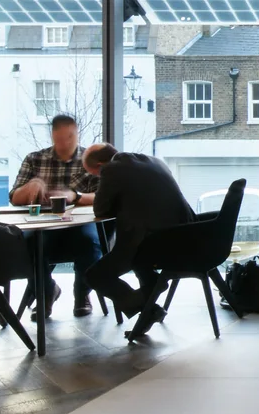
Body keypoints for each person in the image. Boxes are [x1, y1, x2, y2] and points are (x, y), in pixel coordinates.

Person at [81, 143, 196, 338]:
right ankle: (150, 294)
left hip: (157, 243)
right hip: (189, 236)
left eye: (94, 175)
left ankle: (147, 304)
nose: (97, 179)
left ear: (100, 166)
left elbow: (100, 210)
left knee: (95, 276)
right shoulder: (153, 161)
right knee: (135, 257)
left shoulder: (111, 169)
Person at [9, 113, 102, 318]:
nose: (64, 143)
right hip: (43, 224)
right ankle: (47, 291)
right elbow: (14, 197)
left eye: (69, 138)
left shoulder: (90, 160)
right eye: (59, 139)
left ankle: (82, 293)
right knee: (26, 246)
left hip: (79, 224)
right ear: (52, 136)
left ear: (77, 135)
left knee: (90, 243)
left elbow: (103, 197)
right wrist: (31, 186)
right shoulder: (35, 159)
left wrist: (75, 196)